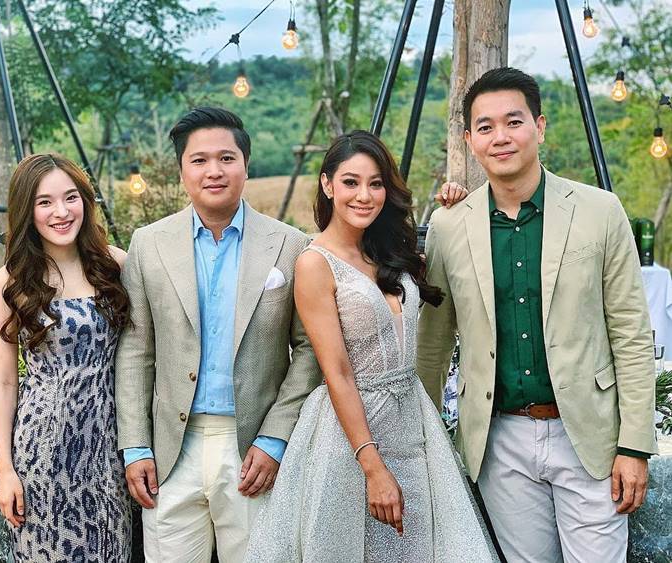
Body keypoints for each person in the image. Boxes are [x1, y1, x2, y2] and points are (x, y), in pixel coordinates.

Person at [417, 67, 657, 562]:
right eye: (485, 127)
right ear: (470, 141)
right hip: (499, 440)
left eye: (514, 122)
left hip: (588, 434)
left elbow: (631, 335)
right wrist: (422, 444)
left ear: (539, 127)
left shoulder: (600, 211)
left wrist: (634, 445)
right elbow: (433, 344)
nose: (500, 137)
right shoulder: (448, 225)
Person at [245, 130, 497, 562]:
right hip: (349, 436)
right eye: (351, 182)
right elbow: (337, 372)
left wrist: (455, 206)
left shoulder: (389, 252)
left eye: (376, 183)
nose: (364, 195)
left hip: (414, 425)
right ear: (327, 184)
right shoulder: (314, 263)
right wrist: (372, 466)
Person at [114, 106, 322, 562]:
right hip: (170, 451)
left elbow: (310, 349)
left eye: (227, 158)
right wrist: (135, 446)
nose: (214, 170)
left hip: (253, 450)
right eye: (199, 160)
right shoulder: (148, 243)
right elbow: (135, 349)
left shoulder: (290, 244)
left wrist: (275, 439)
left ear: (246, 165)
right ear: (182, 170)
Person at [0, 154, 132, 561]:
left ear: (85, 200)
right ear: (26, 210)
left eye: (70, 197)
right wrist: (5, 470)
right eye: (44, 202)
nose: (61, 212)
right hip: (42, 450)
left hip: (108, 448)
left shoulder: (116, 265)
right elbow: (4, 380)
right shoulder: (10, 282)